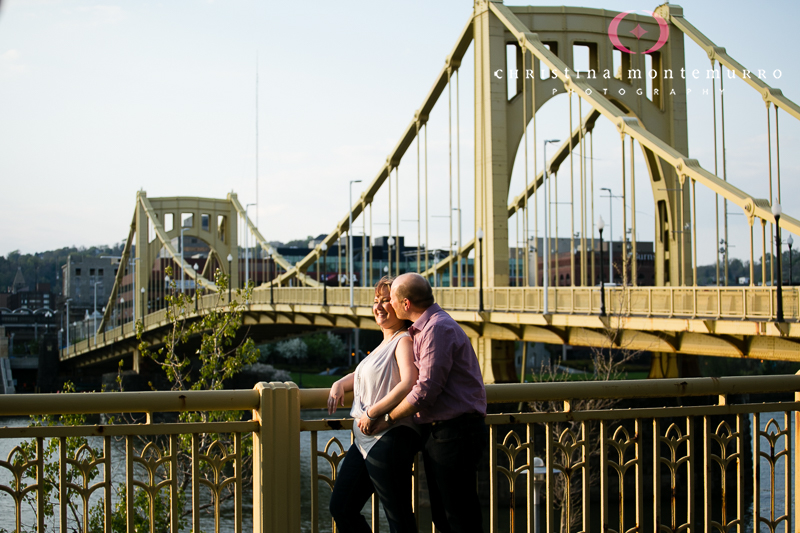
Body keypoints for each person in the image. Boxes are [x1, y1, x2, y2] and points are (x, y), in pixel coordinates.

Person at [363, 272, 487, 533]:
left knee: (459, 518)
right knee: (445, 517)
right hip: (443, 433)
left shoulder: (436, 329)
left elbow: (425, 391)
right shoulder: (424, 328)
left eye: (392, 300)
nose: (389, 306)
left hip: (455, 433)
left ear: (405, 304)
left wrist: (386, 418)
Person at [327, 276, 422, 533]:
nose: (378, 306)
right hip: (364, 442)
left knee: (398, 517)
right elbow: (363, 374)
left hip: (389, 437)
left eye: (386, 301)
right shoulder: (383, 344)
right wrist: (339, 384)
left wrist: (372, 412)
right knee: (341, 507)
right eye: (375, 301)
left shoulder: (403, 340)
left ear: (400, 307)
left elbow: (408, 382)